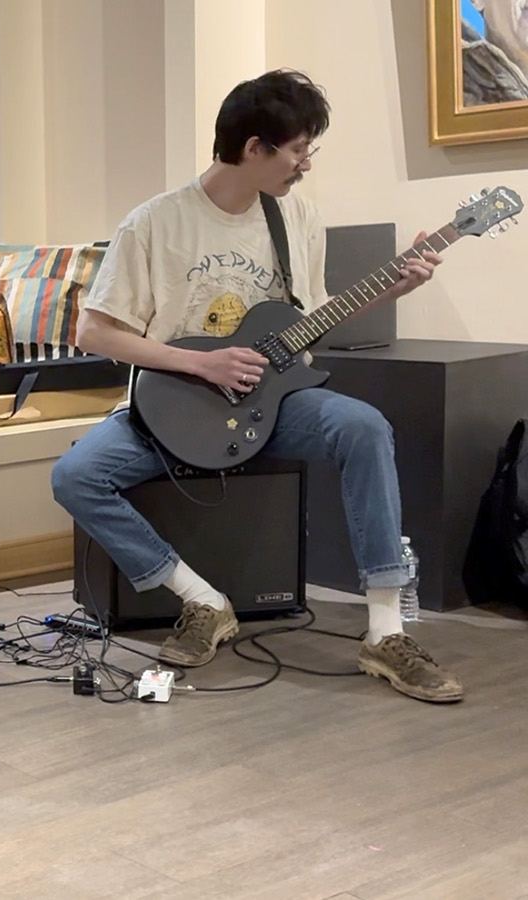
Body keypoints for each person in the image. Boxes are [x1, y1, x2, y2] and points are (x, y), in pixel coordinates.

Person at [50, 69, 464, 703]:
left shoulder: (296, 217)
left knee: (363, 426)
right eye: (297, 149)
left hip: (274, 403)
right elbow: (95, 334)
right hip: (175, 405)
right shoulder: (155, 224)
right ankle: (202, 601)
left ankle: (384, 632)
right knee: (75, 476)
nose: (304, 164)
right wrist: (200, 364)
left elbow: (307, 323)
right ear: (253, 148)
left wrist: (395, 286)